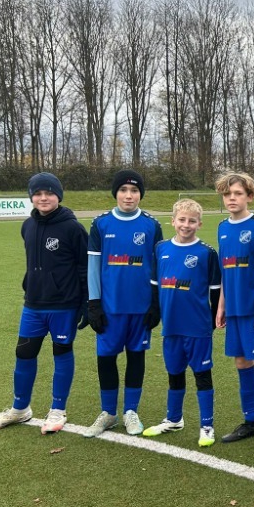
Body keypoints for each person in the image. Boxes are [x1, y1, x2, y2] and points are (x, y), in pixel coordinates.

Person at [0, 172, 89, 434]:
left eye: (49, 193)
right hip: (33, 305)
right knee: (24, 353)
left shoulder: (73, 228)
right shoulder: (27, 226)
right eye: (38, 194)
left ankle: (58, 410)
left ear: (58, 196)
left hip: (64, 305)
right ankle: (20, 409)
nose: (43, 198)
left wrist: (86, 303)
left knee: (61, 353)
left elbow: (85, 268)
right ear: (31, 197)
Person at [82, 170, 164, 438]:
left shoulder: (152, 225)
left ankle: (130, 411)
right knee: (106, 358)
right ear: (115, 193)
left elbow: (159, 267)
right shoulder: (101, 223)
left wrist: (156, 302)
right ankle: (108, 413)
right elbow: (93, 266)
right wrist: (94, 303)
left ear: (141, 194)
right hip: (109, 308)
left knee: (136, 358)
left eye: (134, 191)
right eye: (123, 190)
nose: (129, 196)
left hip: (140, 308)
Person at [142, 199, 222, 448]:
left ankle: (207, 425)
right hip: (171, 326)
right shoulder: (161, 248)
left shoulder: (207, 253)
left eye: (192, 221)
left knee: (202, 375)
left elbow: (215, 290)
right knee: (174, 373)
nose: (186, 225)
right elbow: (154, 285)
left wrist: (211, 321)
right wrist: (154, 312)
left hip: (197, 327)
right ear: (173, 220)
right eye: (182, 220)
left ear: (199, 224)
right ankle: (174, 419)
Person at [214, 171, 254, 443]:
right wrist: (221, 305)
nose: (232, 198)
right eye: (227, 194)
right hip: (234, 309)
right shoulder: (222, 227)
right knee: (241, 362)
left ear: (250, 196)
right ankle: (251, 421)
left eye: (238, 193)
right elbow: (225, 271)